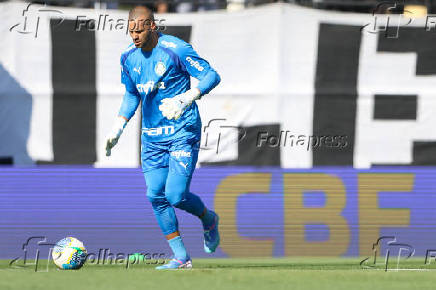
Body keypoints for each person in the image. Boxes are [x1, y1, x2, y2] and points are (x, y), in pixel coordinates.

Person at [105, 5, 221, 269]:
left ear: (153, 26)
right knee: (155, 195)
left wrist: (187, 97)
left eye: (140, 29)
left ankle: (209, 219)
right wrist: (118, 126)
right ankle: (181, 257)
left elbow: (211, 76)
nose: (134, 35)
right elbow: (132, 93)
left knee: (176, 195)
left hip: (182, 130)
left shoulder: (176, 49)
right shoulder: (127, 58)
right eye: (130, 30)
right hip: (152, 138)